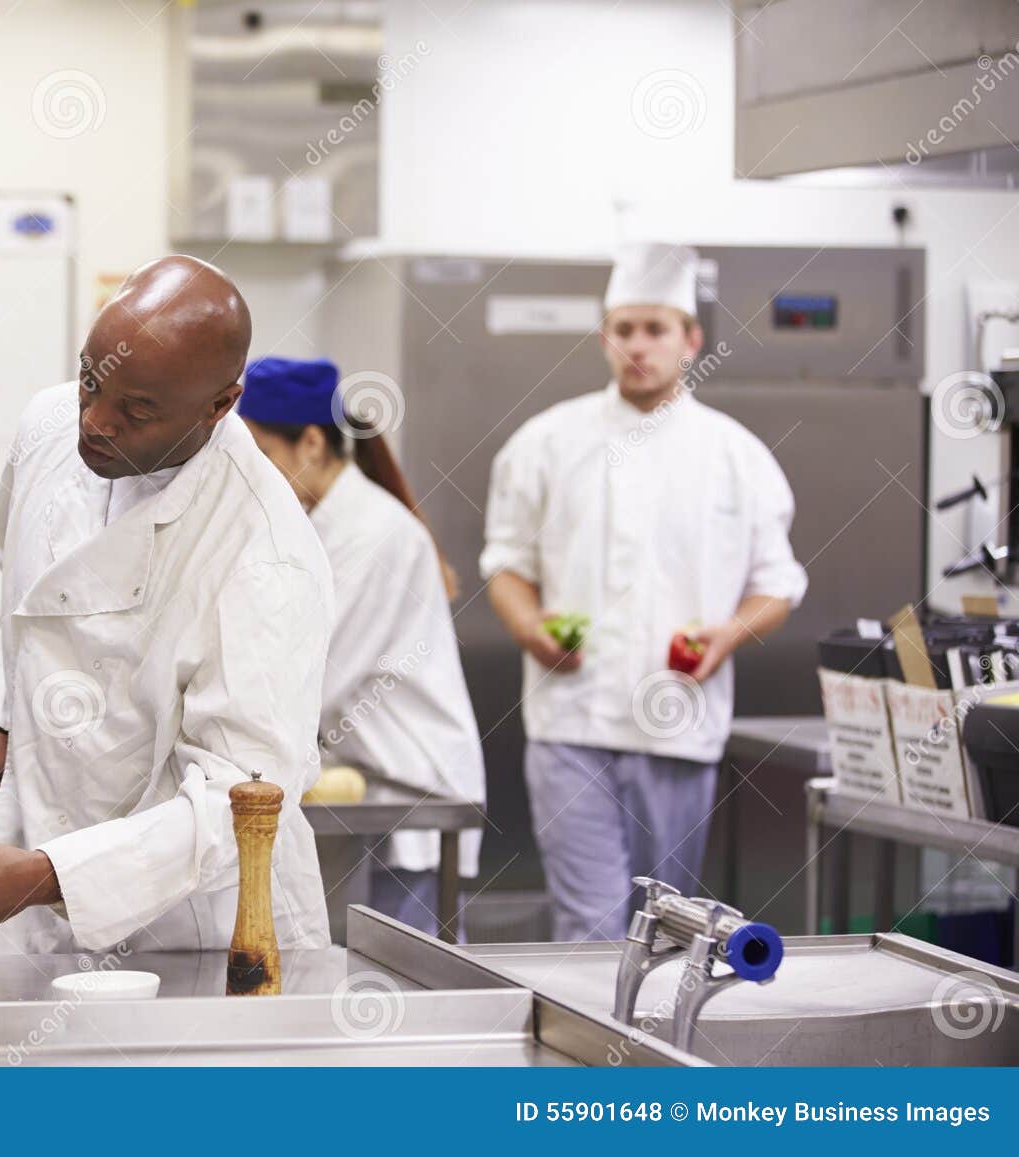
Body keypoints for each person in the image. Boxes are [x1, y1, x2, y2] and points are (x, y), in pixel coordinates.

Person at [0, 256, 334, 955]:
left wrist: (45, 876)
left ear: (219, 404)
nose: (94, 420)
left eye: (137, 409)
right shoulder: (48, 426)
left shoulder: (265, 552)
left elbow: (241, 806)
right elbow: (20, 598)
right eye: (91, 378)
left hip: (189, 925)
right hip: (27, 884)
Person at [480, 243, 807, 942]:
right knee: (590, 929)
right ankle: (590, 1051)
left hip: (678, 726)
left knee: (664, 929)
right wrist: (531, 627)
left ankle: (651, 1048)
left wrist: (728, 635)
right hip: (571, 723)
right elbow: (505, 564)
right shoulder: (547, 442)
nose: (637, 346)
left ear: (691, 339)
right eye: (623, 329)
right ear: (605, 337)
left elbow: (777, 585)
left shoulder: (734, 456)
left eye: (655, 329)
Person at [238, 356, 485, 938]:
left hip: (409, 789)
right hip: (364, 784)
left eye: (263, 459)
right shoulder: (321, 521)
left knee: (406, 985)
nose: (254, 481)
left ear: (313, 443)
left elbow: (317, 674)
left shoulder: (374, 534)